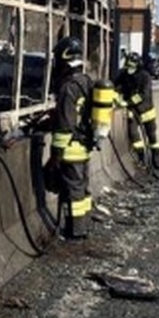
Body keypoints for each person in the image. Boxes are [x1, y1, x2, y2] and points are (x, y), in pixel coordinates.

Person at [50, 36, 97, 239]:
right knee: (82, 189)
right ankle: (83, 227)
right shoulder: (86, 81)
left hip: (71, 148)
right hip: (85, 144)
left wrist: (56, 155)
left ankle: (75, 232)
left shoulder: (68, 87)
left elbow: (64, 126)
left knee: (73, 192)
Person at [115, 52, 159, 171]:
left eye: (132, 66)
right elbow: (115, 86)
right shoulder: (124, 75)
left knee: (152, 138)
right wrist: (116, 98)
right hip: (132, 112)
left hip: (146, 111)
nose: (130, 69)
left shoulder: (144, 76)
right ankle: (141, 158)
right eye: (128, 66)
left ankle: (156, 161)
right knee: (133, 135)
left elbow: (143, 95)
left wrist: (128, 102)